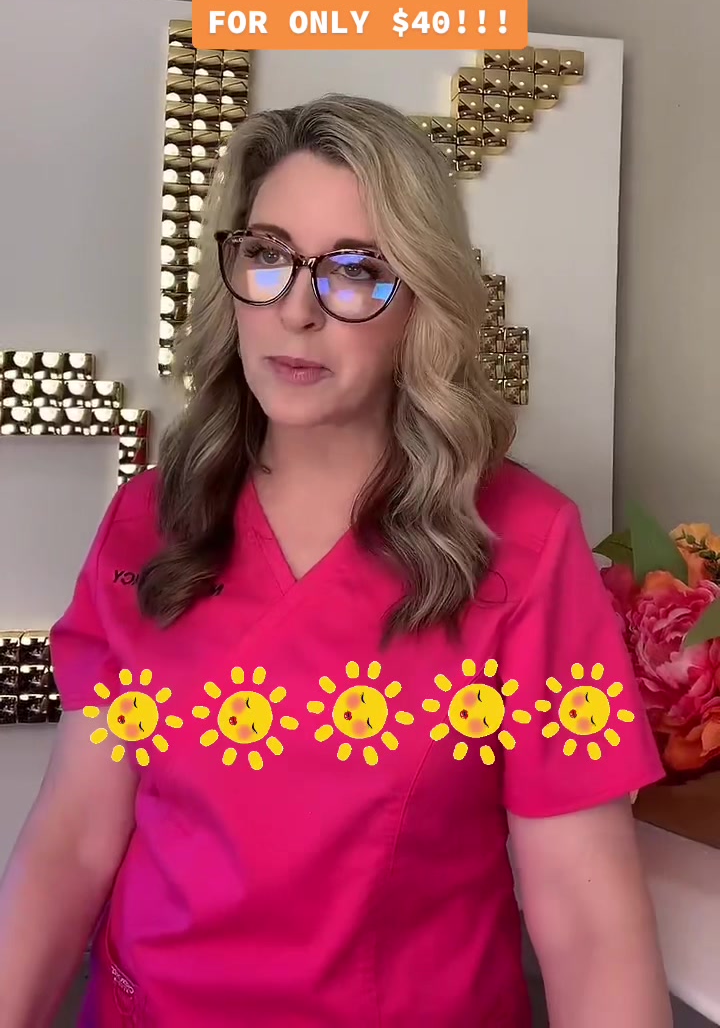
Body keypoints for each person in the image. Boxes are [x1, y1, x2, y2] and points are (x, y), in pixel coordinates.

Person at [0, 95, 671, 1028]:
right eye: (268, 255)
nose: (297, 311)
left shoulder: (525, 544)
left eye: (357, 271)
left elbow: (588, 923)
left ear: (422, 303)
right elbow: (72, 842)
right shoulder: (149, 520)